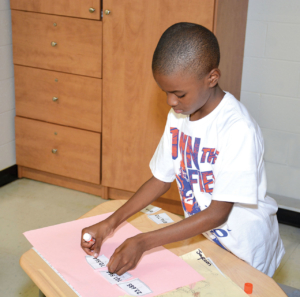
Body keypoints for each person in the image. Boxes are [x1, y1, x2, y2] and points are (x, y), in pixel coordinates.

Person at [81, 22, 285, 277]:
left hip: (245, 249)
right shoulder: (179, 115)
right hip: (206, 240)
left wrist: (144, 242)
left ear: (212, 78)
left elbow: (217, 214)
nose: (170, 101)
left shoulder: (237, 129)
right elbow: (160, 179)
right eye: (165, 92)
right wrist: (110, 223)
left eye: (179, 93)